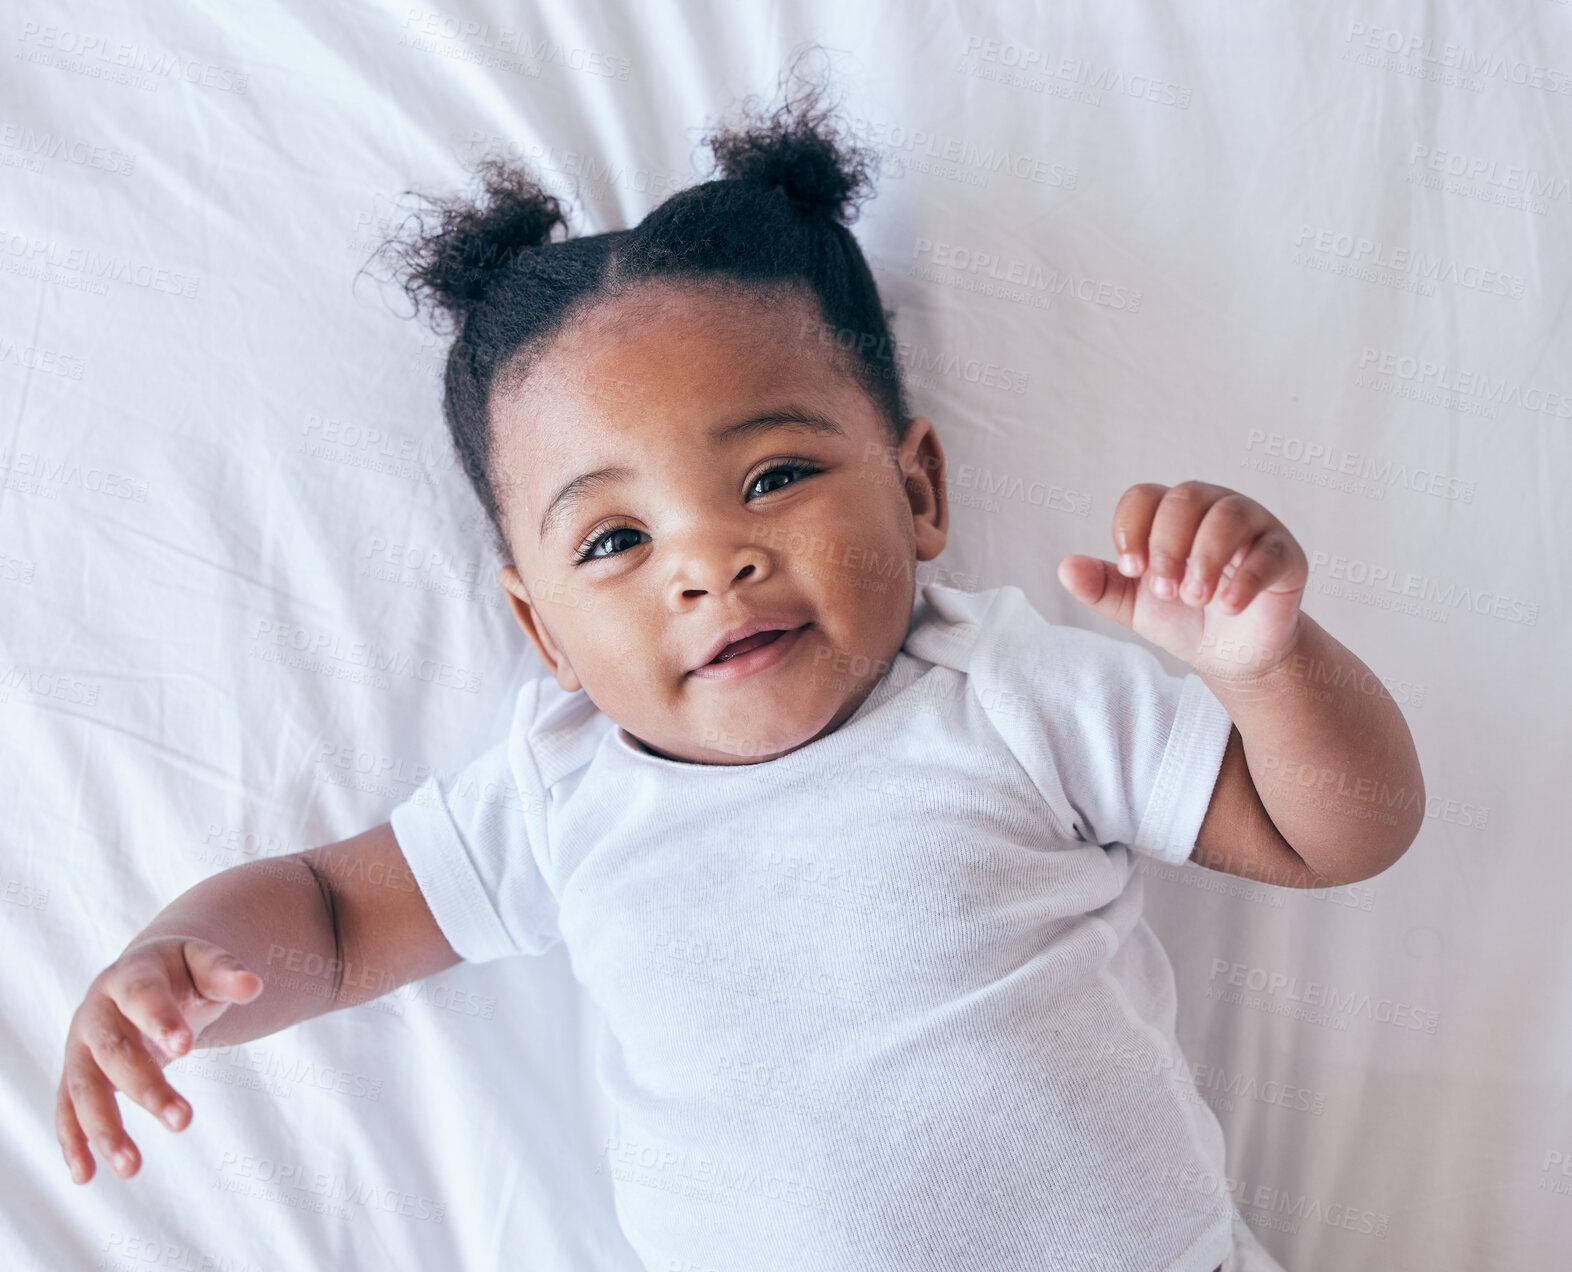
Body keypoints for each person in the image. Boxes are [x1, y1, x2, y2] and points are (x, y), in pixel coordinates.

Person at [55, 61, 1424, 1272]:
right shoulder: (557, 796)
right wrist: (184, 963)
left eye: (772, 475)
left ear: (918, 491)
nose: (708, 563)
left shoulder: (1004, 697)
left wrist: (1269, 664)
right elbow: (336, 921)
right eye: (613, 540)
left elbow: (1337, 833)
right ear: (540, 633)